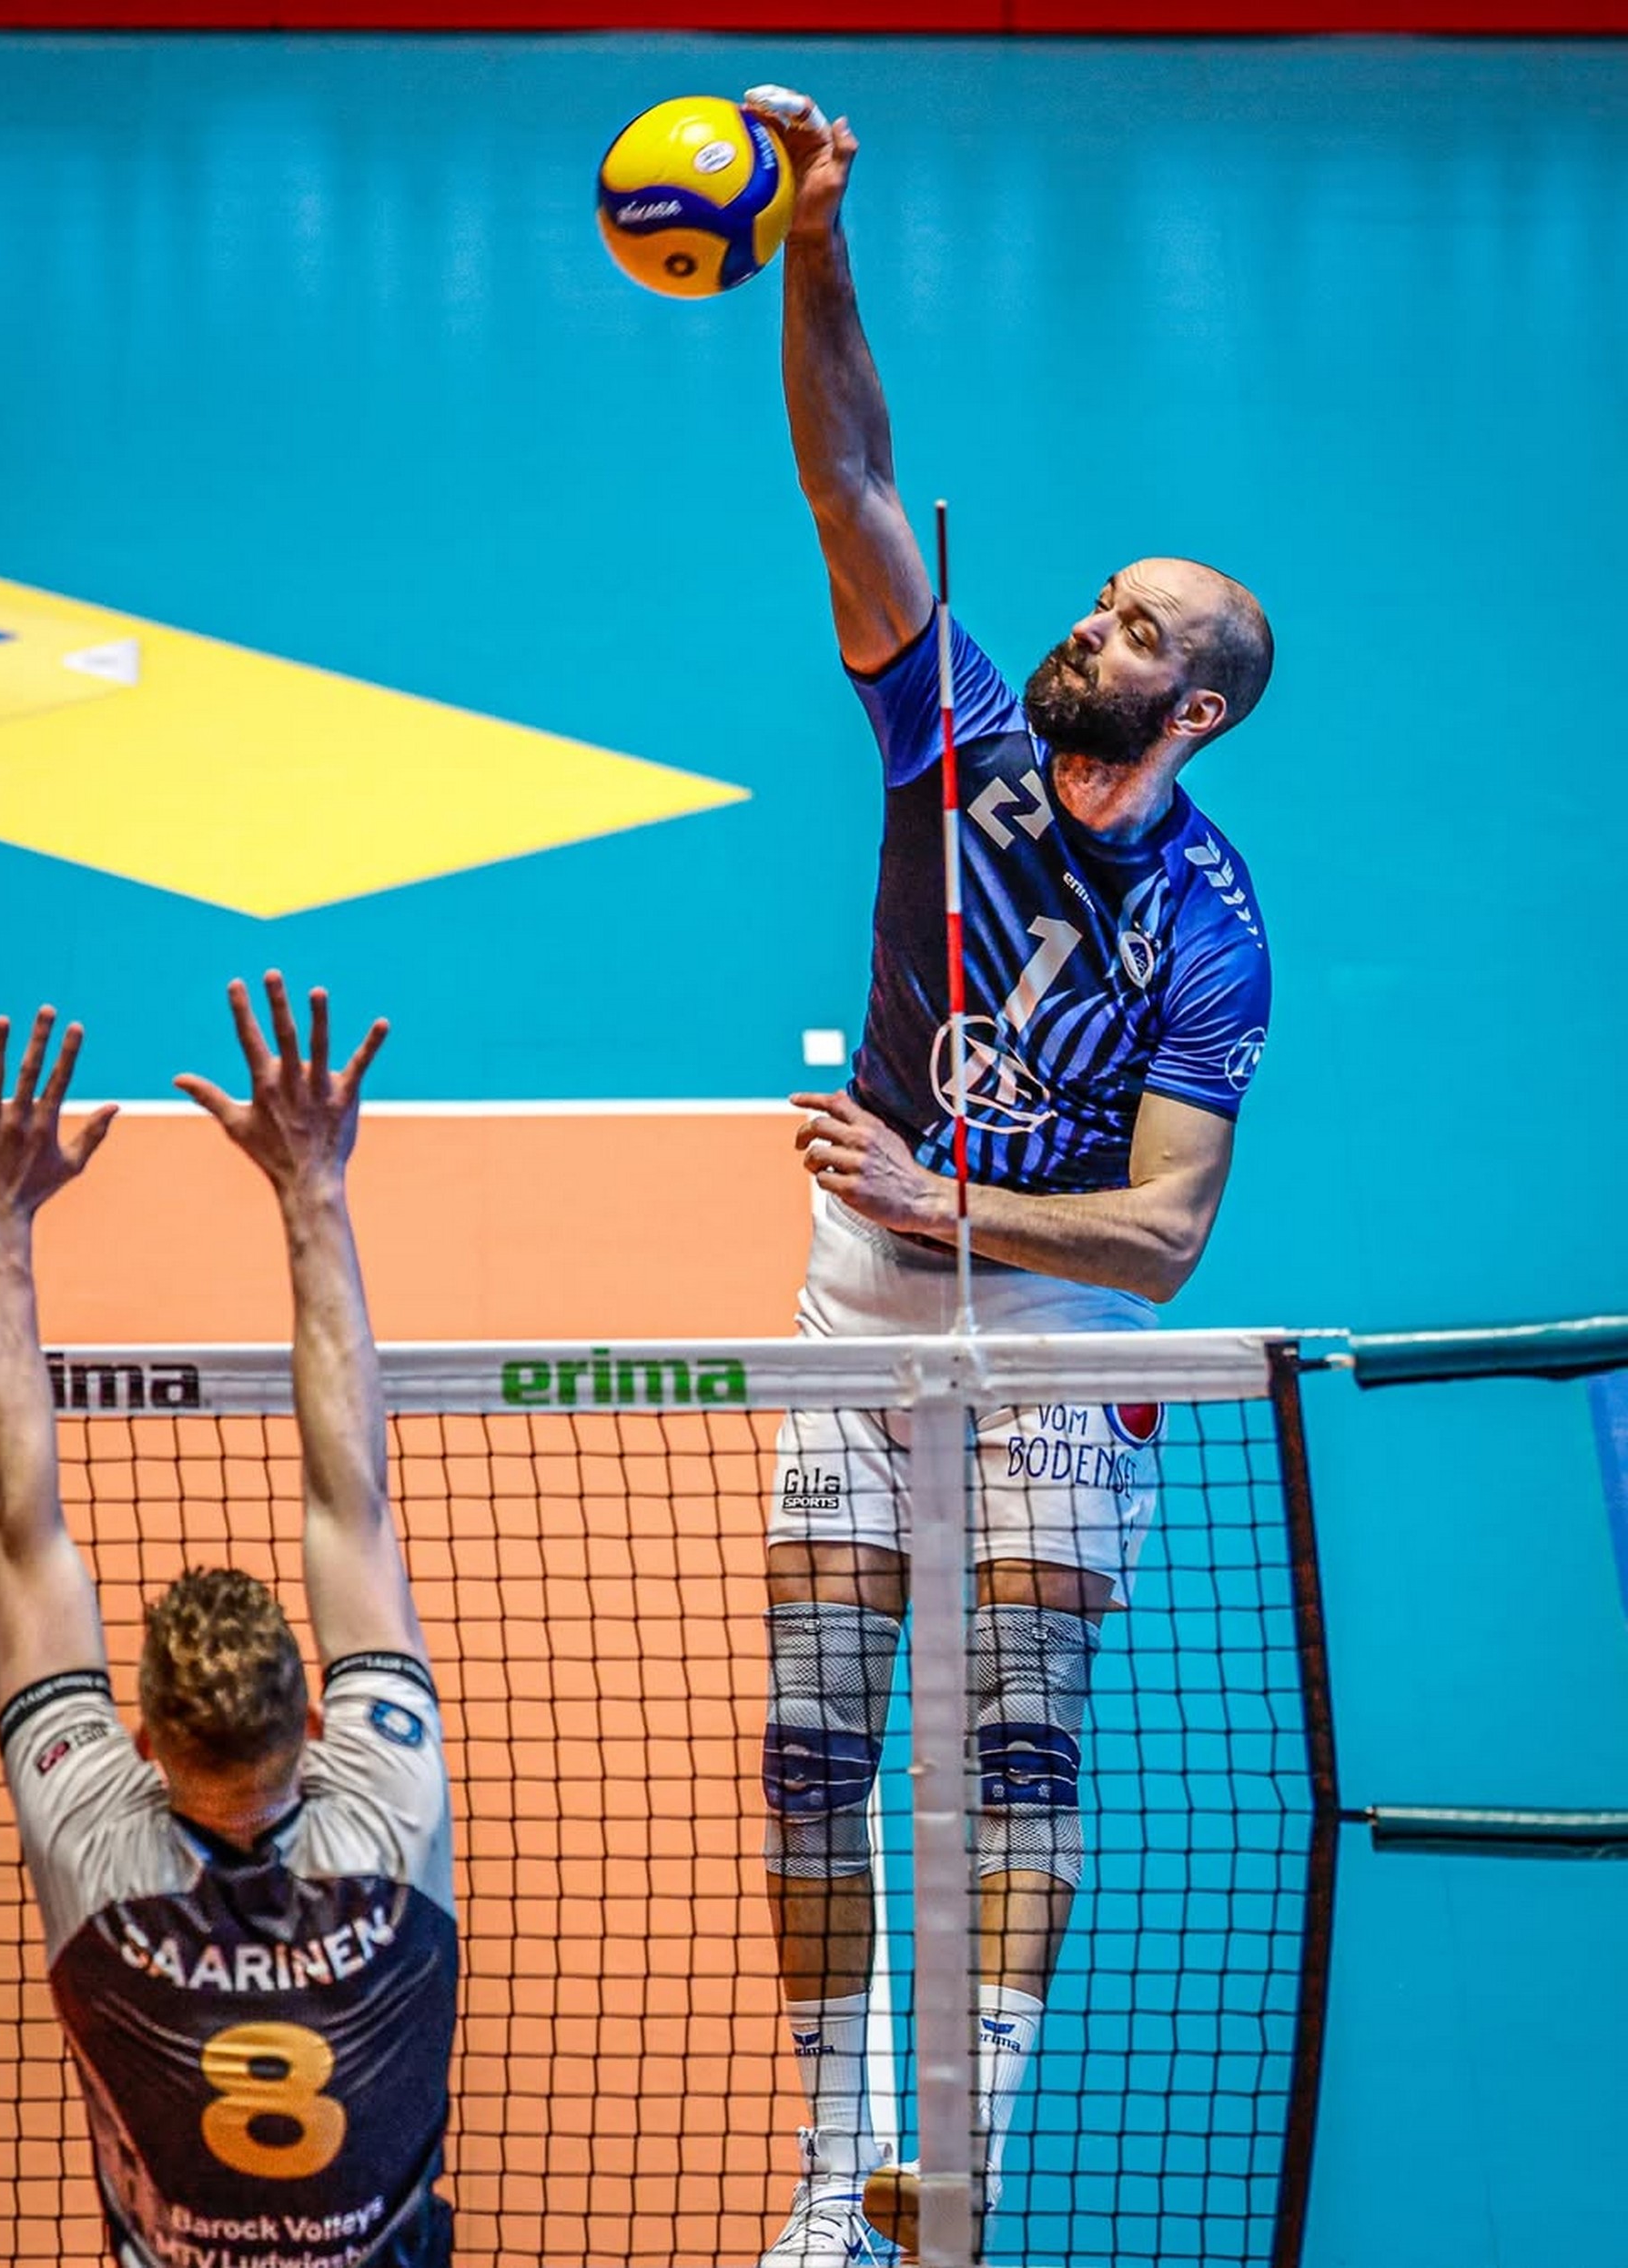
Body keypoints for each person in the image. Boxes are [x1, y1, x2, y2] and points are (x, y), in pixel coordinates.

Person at [739, 85, 1276, 2265]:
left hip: (1052, 1331)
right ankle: (824, 2173)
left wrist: (941, 1196)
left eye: (1137, 629)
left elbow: (1162, 1237)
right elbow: (851, 475)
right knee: (811, 1749)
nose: (1092, 627)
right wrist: (813, 230)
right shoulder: (950, 731)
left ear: (1194, 710)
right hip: (860, 1309)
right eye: (1100, 602)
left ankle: (951, 2148)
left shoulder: (1213, 931)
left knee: (1019, 1749)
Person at [0, 973, 456, 2268]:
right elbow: (351, 1505)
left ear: (143, 1743)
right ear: (318, 1722)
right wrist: (314, 1186)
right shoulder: (387, 1817)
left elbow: (18, 1523)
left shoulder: (93, 1848)